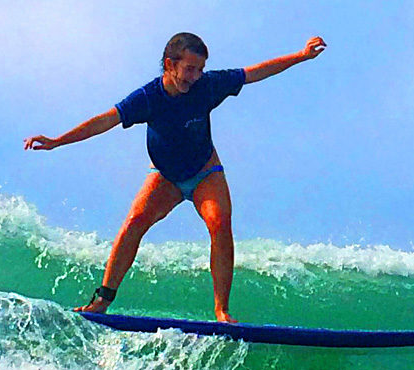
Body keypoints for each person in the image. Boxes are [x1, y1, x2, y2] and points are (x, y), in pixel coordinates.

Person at [24, 33, 326, 322]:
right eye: (189, 69)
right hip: (165, 176)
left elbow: (254, 73)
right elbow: (106, 120)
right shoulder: (148, 97)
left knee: (220, 223)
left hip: (205, 172)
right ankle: (102, 300)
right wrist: (57, 141)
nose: (195, 76)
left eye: (200, 69)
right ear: (170, 64)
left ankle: (222, 310)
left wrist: (301, 56)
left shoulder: (207, 86)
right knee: (133, 223)